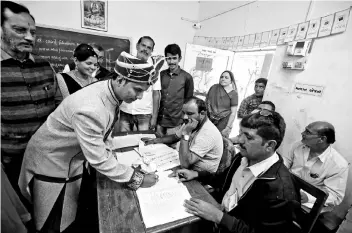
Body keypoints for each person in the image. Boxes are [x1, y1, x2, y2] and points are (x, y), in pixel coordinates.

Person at [18, 52, 160, 232]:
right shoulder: (90, 108)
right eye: (138, 90)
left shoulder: (109, 91)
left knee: (70, 215)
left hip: (71, 158)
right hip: (51, 162)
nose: (140, 97)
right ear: (121, 80)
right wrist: (137, 178)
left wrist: (113, 157)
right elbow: (98, 158)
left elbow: (104, 133)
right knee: (52, 223)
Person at [171, 110, 300, 233]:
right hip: (222, 216)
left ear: (269, 145)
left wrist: (219, 217)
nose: (240, 140)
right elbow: (223, 179)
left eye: (249, 137)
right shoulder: (244, 157)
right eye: (241, 133)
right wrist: (198, 174)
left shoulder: (281, 192)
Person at [1, 1, 62, 188]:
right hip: (10, 162)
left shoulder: (45, 66)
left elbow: (59, 103)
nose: (29, 38)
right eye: (19, 30)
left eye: (33, 33)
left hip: (47, 155)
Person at [143, 97, 223, 173]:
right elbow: (174, 137)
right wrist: (154, 140)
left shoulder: (208, 133)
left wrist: (186, 133)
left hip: (199, 177)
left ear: (202, 113)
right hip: (188, 166)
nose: (185, 117)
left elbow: (185, 164)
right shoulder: (192, 122)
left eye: (189, 113)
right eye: (183, 113)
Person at [284, 121, 348, 211]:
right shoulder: (298, 146)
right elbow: (284, 163)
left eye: (308, 132)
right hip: (288, 190)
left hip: (309, 204)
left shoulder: (339, 165)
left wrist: (309, 198)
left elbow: (336, 196)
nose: (302, 133)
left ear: (321, 139)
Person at [117, 36, 163, 132]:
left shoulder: (154, 70)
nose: (145, 49)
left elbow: (156, 95)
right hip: (125, 111)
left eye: (149, 48)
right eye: (143, 45)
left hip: (144, 114)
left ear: (151, 51)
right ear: (137, 46)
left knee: (143, 143)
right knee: (124, 141)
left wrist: (154, 117)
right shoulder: (127, 64)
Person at [157, 43, 194, 137]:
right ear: (165, 59)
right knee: (157, 148)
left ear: (179, 59)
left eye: (174, 58)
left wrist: (182, 117)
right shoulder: (161, 75)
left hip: (175, 123)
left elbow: (188, 100)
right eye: (168, 58)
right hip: (160, 121)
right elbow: (157, 96)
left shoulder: (187, 77)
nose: (171, 61)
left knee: (172, 150)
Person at [206, 70, 238, 138]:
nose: (223, 79)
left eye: (226, 77)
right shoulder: (214, 88)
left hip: (223, 122)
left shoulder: (233, 94)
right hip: (209, 119)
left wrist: (228, 127)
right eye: (222, 77)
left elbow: (233, 112)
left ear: (231, 81)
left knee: (218, 140)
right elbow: (207, 102)